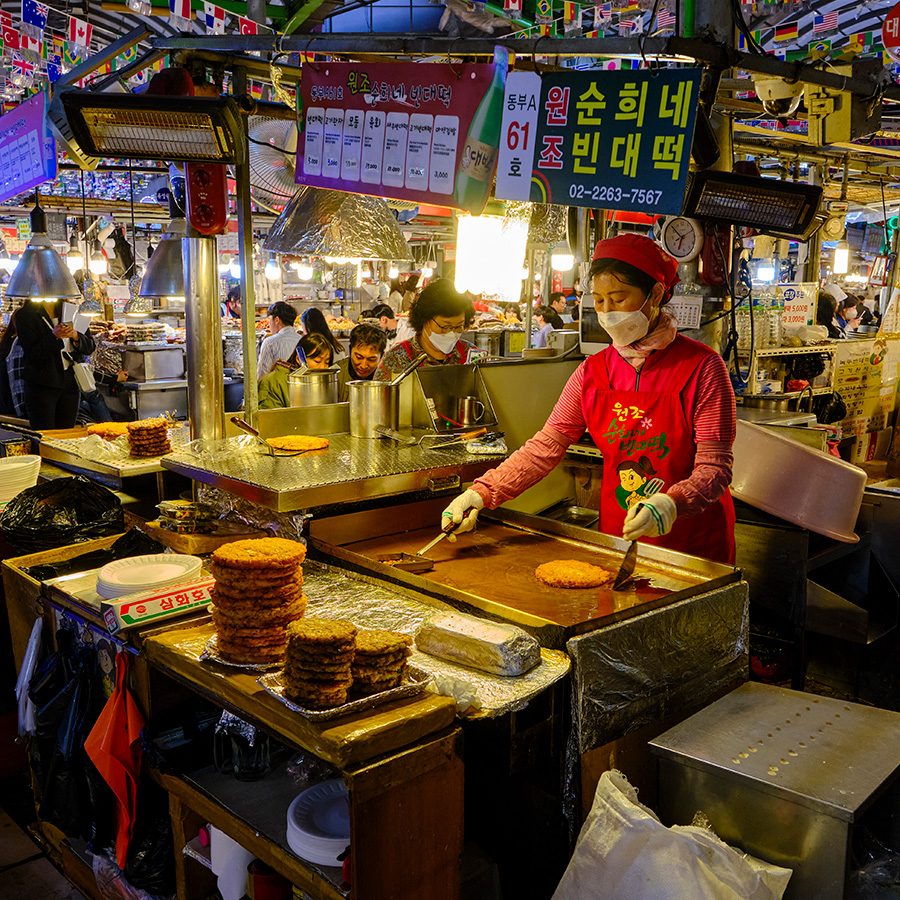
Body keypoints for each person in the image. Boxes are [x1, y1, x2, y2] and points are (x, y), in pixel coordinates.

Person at [441, 233, 737, 565]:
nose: (607, 311)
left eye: (619, 297)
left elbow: (715, 467)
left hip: (692, 543)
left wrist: (671, 503)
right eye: (599, 300)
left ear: (655, 293)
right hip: (620, 539)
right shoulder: (592, 373)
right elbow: (545, 447)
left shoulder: (703, 368)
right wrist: (482, 492)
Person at [15, 298, 96, 429]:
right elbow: (33, 353)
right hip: (42, 385)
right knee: (45, 436)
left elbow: (89, 347)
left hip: (70, 383)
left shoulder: (71, 310)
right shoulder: (26, 315)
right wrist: (54, 337)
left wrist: (76, 336)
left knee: (66, 435)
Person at [373, 279, 475, 381]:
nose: (452, 333)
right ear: (424, 320)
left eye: (458, 327)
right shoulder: (395, 359)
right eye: (445, 327)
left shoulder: (471, 355)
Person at [258, 333, 333, 409]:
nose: (323, 367)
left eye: (327, 362)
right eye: (317, 361)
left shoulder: (321, 382)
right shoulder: (273, 382)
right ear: (299, 359)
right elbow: (269, 417)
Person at [337, 324, 387, 401]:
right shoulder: (336, 375)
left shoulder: (387, 377)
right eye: (359, 357)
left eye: (371, 359)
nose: (363, 366)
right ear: (350, 350)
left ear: (381, 357)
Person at [257, 301, 301, 381]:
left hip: (277, 391)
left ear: (276, 320)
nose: (269, 324)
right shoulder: (302, 339)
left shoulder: (270, 342)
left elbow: (262, 375)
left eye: (269, 320)